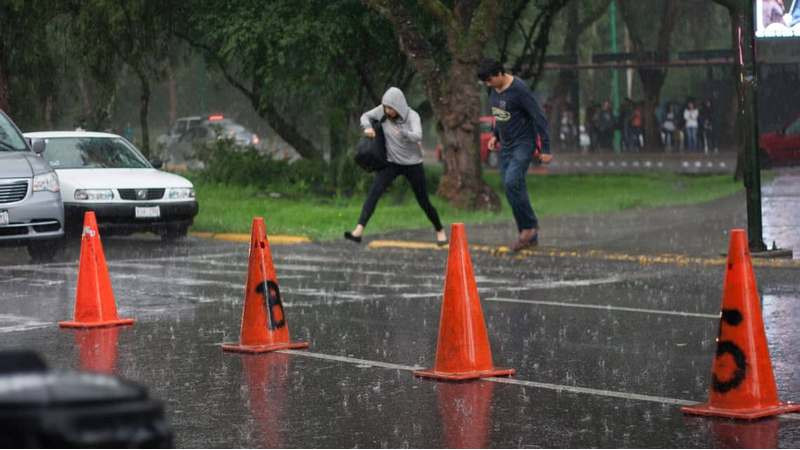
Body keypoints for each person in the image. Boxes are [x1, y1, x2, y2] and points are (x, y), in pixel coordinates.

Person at [344, 87, 446, 245]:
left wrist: (405, 133)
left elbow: (418, 135)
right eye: (385, 107)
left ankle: (439, 230)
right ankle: (358, 230)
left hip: (412, 164)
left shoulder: (412, 116)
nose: (387, 111)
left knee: (423, 201)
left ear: (399, 106)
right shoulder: (383, 111)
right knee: (374, 193)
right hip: (391, 163)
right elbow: (366, 116)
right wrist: (368, 127)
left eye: (391, 108)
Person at [476, 58, 552, 252]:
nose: (487, 84)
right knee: (512, 187)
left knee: (512, 182)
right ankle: (528, 234)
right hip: (506, 146)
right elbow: (498, 114)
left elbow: (539, 117)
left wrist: (546, 149)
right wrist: (495, 135)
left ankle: (529, 227)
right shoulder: (493, 89)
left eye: (489, 80)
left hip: (523, 144)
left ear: (500, 74)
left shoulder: (519, 90)